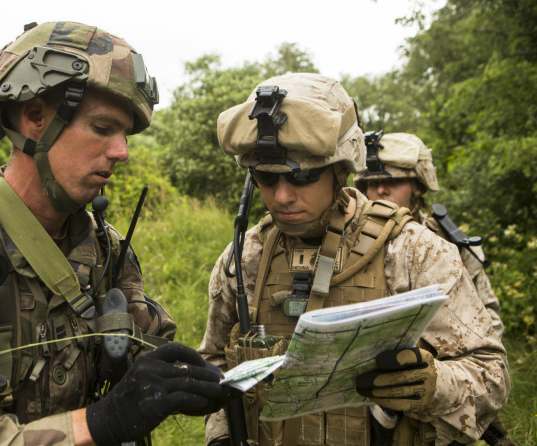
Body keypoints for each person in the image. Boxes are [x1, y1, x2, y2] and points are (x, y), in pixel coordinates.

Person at [0, 21, 224, 445]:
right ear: (35, 117)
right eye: (102, 128)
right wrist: (94, 425)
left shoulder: (105, 249)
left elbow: (140, 345)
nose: (122, 152)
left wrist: (176, 378)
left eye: (125, 135)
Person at [199, 73, 509, 445]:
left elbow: (492, 375)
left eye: (302, 177)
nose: (281, 196)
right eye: (265, 178)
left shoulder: (415, 252)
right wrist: (219, 436)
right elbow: (216, 366)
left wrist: (433, 386)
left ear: (342, 169)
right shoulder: (245, 258)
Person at [353, 132, 504, 338]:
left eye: (394, 181)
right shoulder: (346, 242)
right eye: (372, 183)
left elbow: (489, 322)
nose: (381, 190)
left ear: (420, 187)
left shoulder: (450, 245)